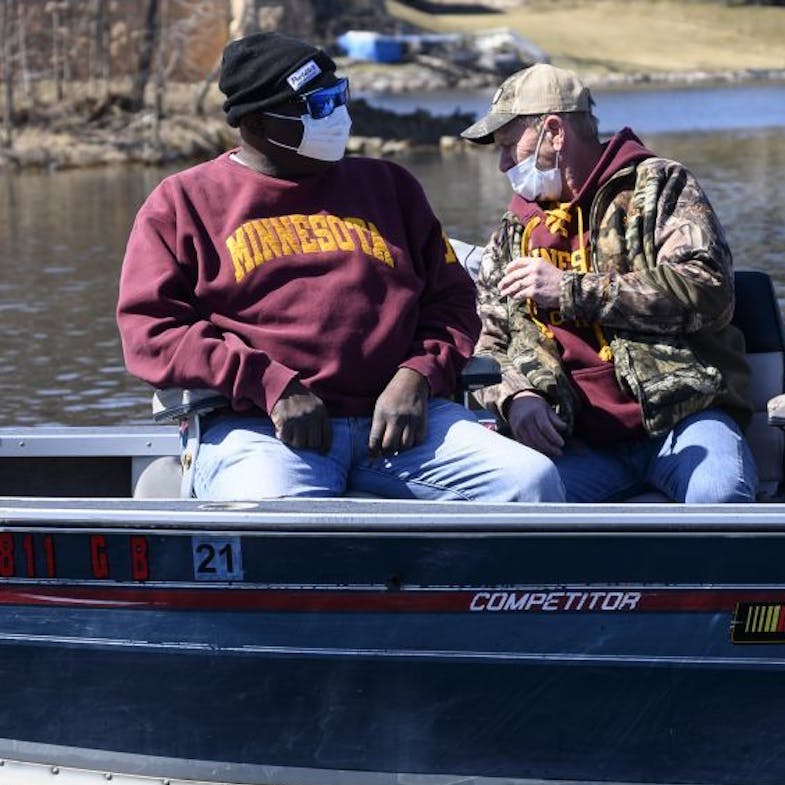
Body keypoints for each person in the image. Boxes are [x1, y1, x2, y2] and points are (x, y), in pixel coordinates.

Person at [115, 32, 562, 502]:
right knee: (275, 524)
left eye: (339, 96)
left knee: (531, 483)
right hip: (263, 428)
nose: (338, 115)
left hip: (407, 423)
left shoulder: (390, 186)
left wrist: (419, 374)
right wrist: (269, 385)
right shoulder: (182, 202)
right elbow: (152, 332)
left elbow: (452, 303)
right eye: (318, 104)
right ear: (255, 121)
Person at [461, 64, 756, 503]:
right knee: (513, 502)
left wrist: (571, 290)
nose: (504, 163)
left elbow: (709, 292)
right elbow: (489, 344)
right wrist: (516, 397)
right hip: (577, 442)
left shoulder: (658, 186)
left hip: (681, 423)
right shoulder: (513, 231)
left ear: (554, 132)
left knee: (719, 497)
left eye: (509, 146)